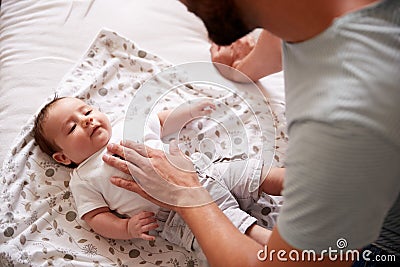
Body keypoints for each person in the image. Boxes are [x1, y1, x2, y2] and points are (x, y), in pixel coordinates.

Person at [103, 0, 400, 266]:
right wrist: (242, 69)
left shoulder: (345, 120)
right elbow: (283, 36)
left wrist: (188, 195)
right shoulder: (312, 12)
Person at [33, 96, 284, 252]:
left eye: (86, 112)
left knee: (254, 173)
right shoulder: (83, 178)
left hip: (199, 171)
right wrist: (126, 227)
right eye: (72, 127)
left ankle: (297, 183)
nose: (86, 120)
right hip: (173, 216)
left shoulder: (126, 124)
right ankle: (279, 248)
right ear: (63, 157)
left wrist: (189, 111)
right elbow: (95, 217)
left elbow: (163, 121)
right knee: (229, 229)